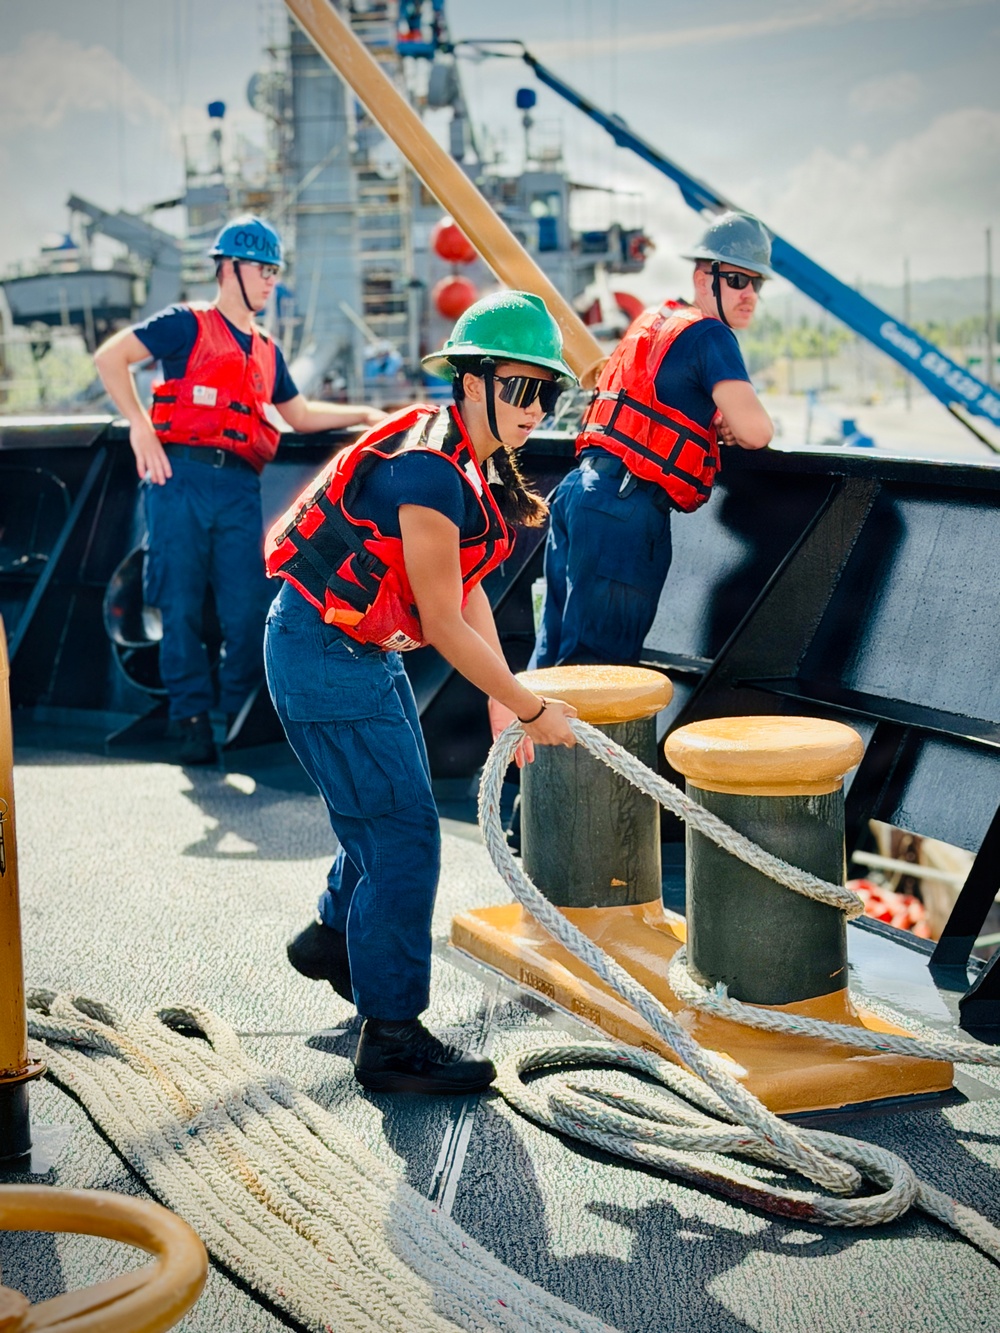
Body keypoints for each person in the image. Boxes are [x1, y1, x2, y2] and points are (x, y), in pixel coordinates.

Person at [263, 291, 579, 1095]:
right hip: (325, 654)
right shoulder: (432, 472)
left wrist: (505, 699)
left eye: (548, 391)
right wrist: (539, 709)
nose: (535, 407)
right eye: (520, 387)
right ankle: (394, 1039)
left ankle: (335, 938)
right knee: (405, 837)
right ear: (470, 383)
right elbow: (441, 619)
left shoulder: (461, 460)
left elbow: (466, 588)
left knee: (384, 813)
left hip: (351, 652)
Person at [94, 215, 386, 764]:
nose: (272, 281)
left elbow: (298, 415)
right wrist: (138, 424)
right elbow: (111, 358)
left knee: (245, 607)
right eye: (263, 269)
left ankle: (235, 722)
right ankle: (191, 722)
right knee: (176, 603)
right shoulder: (184, 324)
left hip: (236, 487)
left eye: (276, 271)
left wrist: (368, 414)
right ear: (229, 268)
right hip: (177, 479)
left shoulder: (267, 352)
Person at [532, 211, 775, 669]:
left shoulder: (655, 319)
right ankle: (584, 744)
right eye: (739, 280)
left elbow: (662, 398)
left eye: (757, 284)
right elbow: (757, 431)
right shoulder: (710, 335)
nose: (749, 295)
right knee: (600, 671)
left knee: (553, 659)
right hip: (624, 509)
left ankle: (526, 741)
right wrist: (727, 422)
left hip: (577, 495)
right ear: (706, 277)